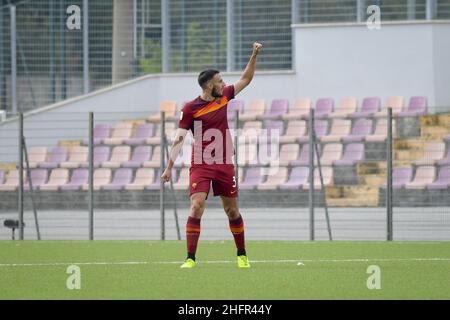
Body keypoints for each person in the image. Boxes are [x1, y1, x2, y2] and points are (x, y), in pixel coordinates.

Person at [161, 42, 263, 269]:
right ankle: (190, 258)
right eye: (220, 81)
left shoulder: (224, 96)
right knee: (197, 205)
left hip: (225, 162)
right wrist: (169, 167)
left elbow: (245, 79)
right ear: (209, 86)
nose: (224, 84)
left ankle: (242, 255)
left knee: (231, 210)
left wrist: (254, 55)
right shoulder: (190, 108)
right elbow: (178, 138)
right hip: (202, 164)